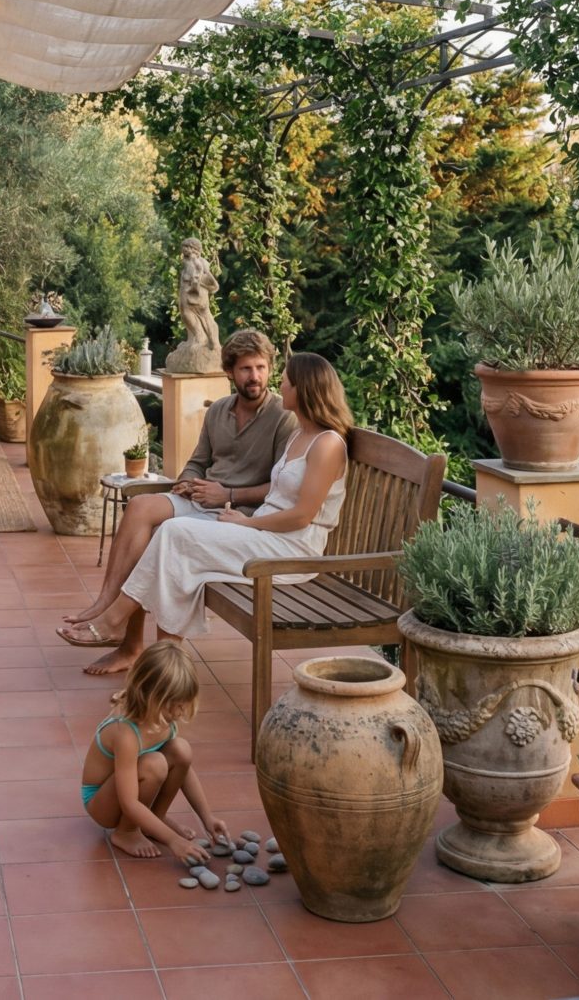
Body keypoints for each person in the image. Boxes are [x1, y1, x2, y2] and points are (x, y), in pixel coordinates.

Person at [57, 352, 352, 678]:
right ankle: (162, 677)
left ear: (303, 389)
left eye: (285, 381)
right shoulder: (301, 435)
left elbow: (301, 517)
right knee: (173, 547)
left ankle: (116, 622)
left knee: (175, 534)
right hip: (265, 534)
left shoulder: (327, 444)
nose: (279, 385)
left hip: (292, 550)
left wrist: (247, 521)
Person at [61, 327, 289, 644]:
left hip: (238, 514)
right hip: (202, 499)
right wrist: (185, 481)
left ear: (270, 369)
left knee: (158, 535)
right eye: (246, 368)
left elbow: (280, 487)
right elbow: (198, 460)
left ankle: (131, 639)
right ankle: (106, 601)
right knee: (140, 506)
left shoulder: (283, 417)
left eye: (261, 367)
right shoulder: (219, 410)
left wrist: (228, 494)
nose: (255, 376)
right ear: (229, 372)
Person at [79, 639, 225, 859]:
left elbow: (184, 770)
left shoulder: (162, 718)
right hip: (102, 804)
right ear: (149, 696)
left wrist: (207, 817)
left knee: (181, 749)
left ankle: (155, 818)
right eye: (174, 705)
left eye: (183, 704)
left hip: (129, 791)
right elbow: (129, 802)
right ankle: (127, 832)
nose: (179, 712)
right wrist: (173, 841)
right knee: (154, 765)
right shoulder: (125, 733)